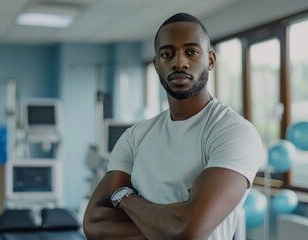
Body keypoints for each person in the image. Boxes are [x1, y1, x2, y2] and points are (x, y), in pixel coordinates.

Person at [83, 12, 262, 240]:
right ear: (157, 64)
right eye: (167, 54)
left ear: (211, 60)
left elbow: (189, 231)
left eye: (191, 52)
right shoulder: (135, 137)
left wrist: (125, 199)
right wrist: (170, 228)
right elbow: (94, 223)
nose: (179, 62)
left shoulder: (233, 132)